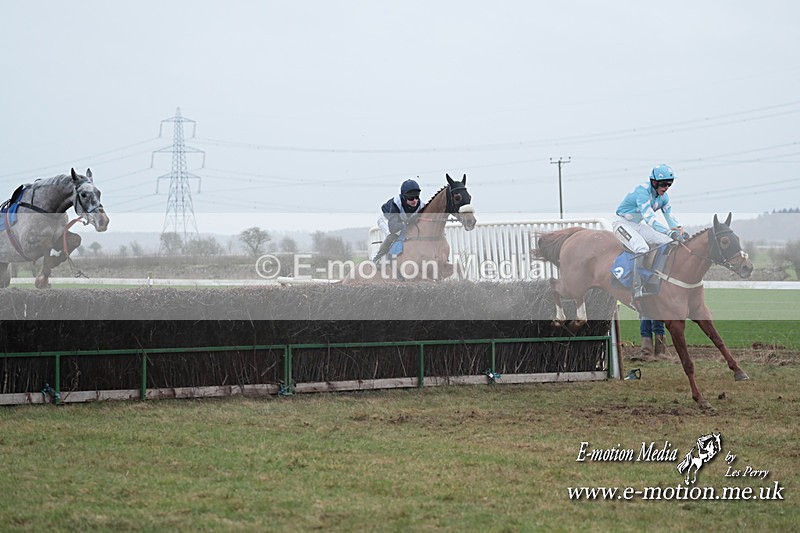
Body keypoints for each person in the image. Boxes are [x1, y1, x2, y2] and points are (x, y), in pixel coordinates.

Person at [613, 164, 685, 298]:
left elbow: (670, 218)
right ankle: (637, 285)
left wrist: (679, 230)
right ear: (654, 182)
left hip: (637, 224)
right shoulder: (642, 192)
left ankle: (660, 278)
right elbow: (650, 220)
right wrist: (669, 232)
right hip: (621, 223)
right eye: (664, 184)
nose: (666, 187)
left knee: (668, 241)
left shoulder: (664, 198)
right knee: (642, 248)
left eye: (670, 184)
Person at [372, 179, 427, 263]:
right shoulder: (396, 203)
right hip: (386, 219)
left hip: (402, 220)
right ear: (404, 197)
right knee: (394, 234)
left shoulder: (421, 206)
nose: (415, 201)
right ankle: (378, 258)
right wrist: (407, 222)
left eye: (417, 197)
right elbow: (392, 228)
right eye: (411, 198)